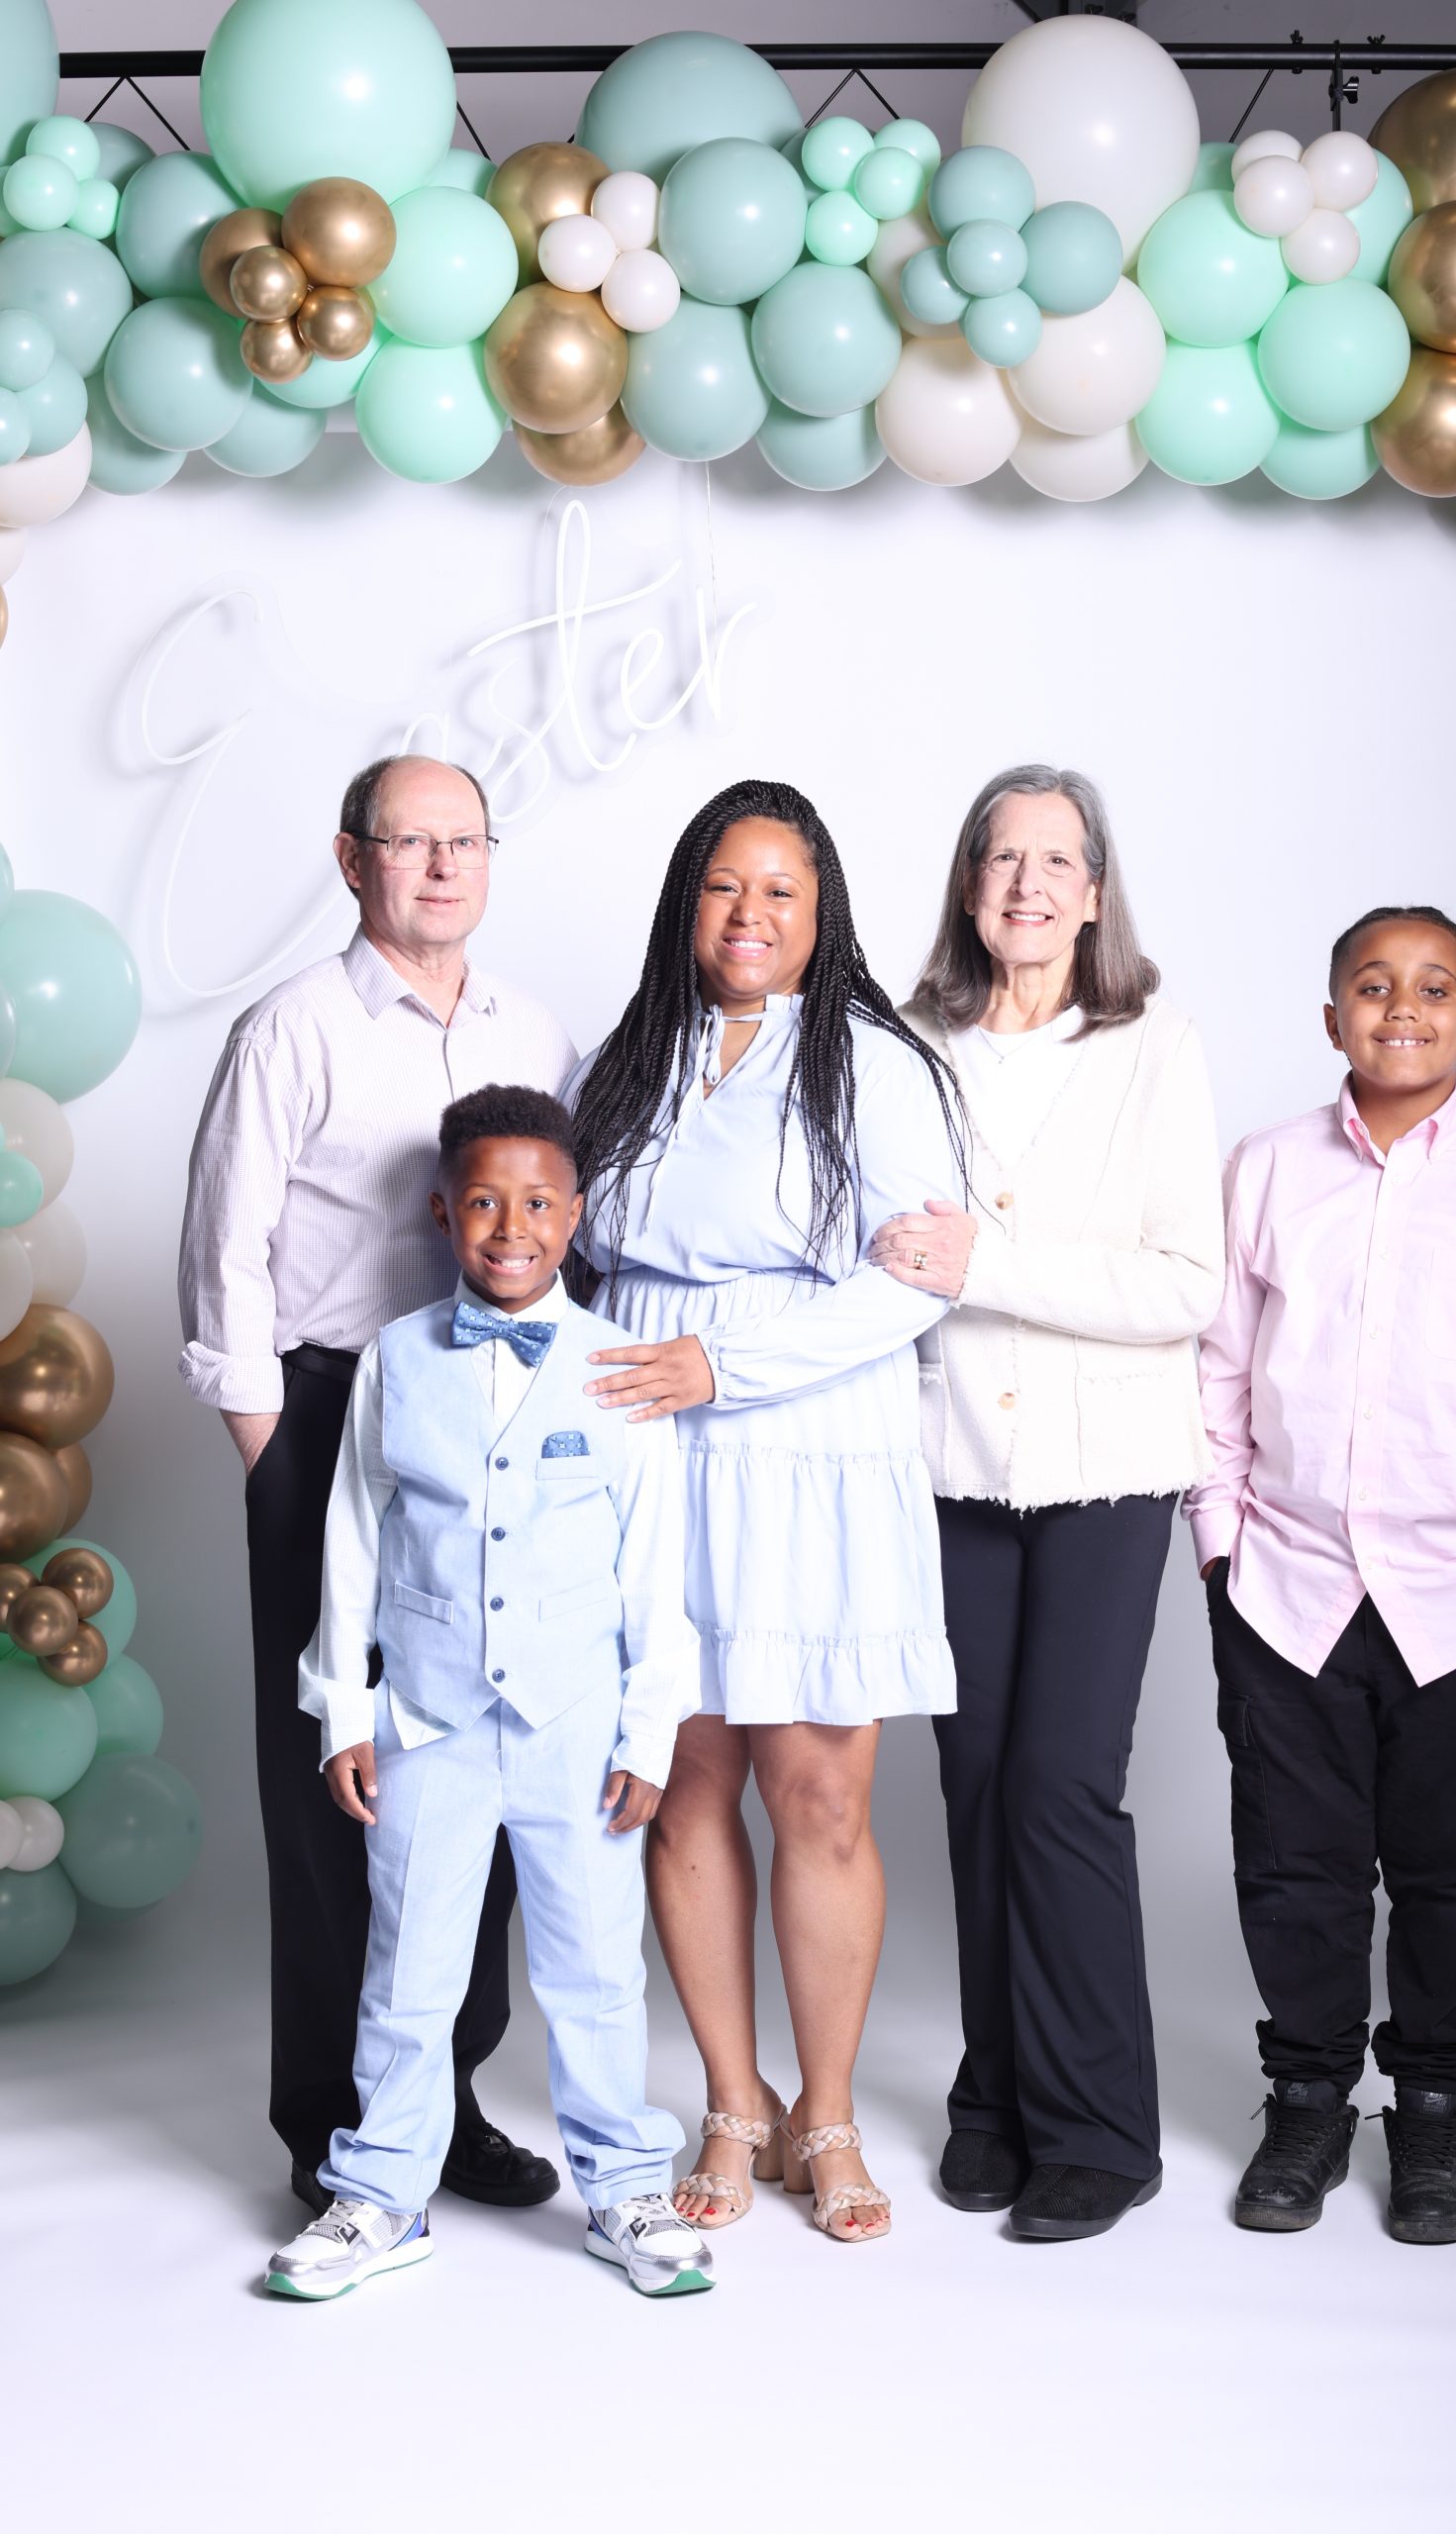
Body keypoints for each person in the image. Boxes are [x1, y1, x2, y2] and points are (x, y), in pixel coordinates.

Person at [1185, 906, 1456, 2245]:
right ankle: (1307, 2101)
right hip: (1288, 1588)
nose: (1402, 1008)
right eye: (1373, 986)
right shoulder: (1266, 1170)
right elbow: (1216, 1367)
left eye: (1434, 989)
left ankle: (1433, 2108)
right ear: (1332, 1017)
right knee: (1294, 1867)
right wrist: (1221, 1542)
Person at [566, 776, 965, 2245]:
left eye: (779, 890)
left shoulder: (877, 1064)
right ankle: (734, 2102)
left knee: (820, 1797)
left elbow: (912, 1280)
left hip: (806, 1439)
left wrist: (722, 1364)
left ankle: (829, 2112)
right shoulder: (627, 1059)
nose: (749, 914)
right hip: (644, 1444)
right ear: (687, 903)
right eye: (724, 887)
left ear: (821, 912)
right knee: (682, 1784)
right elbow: (570, 1253)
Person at [179, 755, 574, 2217]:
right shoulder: (293, 1027)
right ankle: (330, 2119)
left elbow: (554, 1229)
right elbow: (224, 1247)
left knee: (473, 1755)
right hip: (331, 1408)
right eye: (410, 842)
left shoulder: (531, 1027)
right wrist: (273, 1447)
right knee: (329, 1777)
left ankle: (444, 2097)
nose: (441, 866)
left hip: (484, 1413)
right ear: (353, 861)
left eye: (464, 840)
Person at [265, 1086, 709, 2300]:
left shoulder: (618, 1367)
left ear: (574, 1214)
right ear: (442, 1213)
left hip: (578, 1725)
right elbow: (353, 1540)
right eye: (483, 1204)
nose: (511, 1228)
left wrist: (649, 1732)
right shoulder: (395, 1359)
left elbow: (652, 1565)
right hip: (427, 1720)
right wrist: (344, 1710)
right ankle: (382, 2194)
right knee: (408, 1971)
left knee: (595, 1970)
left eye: (538, 1204)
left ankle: (625, 2190)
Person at [878, 765, 1223, 2242]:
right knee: (970, 1784)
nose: (1026, 883)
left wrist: (987, 1265)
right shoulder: (906, 1045)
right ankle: (997, 2100)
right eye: (1000, 857)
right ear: (969, 886)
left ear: (1093, 893)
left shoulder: (1153, 1044)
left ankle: (1099, 2130)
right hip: (949, 1460)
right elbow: (876, 1241)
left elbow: (1184, 1285)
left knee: (1060, 1785)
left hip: (1103, 1471)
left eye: (1055, 860)